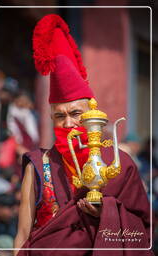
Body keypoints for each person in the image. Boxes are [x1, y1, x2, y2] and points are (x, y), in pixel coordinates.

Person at [14, 14, 153, 256]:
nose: (68, 123)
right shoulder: (38, 164)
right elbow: (23, 234)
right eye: (59, 116)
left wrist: (107, 213)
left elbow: (142, 230)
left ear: (92, 112)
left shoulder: (119, 163)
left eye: (76, 113)